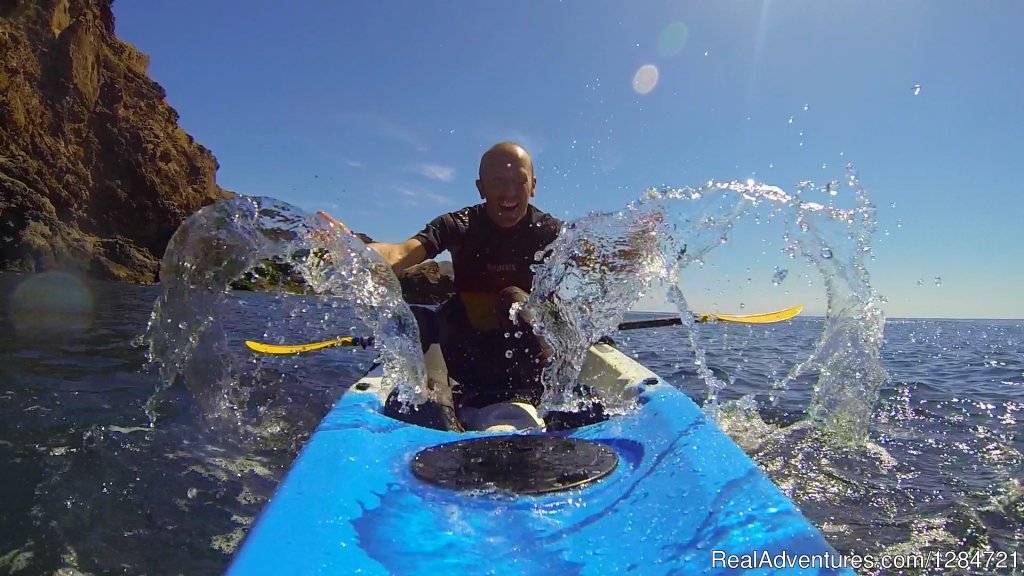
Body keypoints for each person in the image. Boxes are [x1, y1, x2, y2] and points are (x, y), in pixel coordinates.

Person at [318, 142, 562, 432]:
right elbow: (399, 253)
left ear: (532, 185)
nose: (509, 192)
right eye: (497, 182)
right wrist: (356, 252)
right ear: (481, 188)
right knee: (421, 320)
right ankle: (441, 421)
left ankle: (559, 411)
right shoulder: (458, 224)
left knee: (514, 299)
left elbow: (594, 258)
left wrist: (627, 252)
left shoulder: (548, 230)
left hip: (523, 365)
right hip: (466, 355)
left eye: (518, 181)